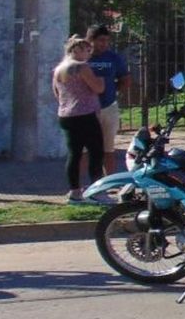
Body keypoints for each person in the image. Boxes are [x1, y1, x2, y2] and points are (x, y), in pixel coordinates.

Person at [52, 36, 105, 201]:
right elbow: (98, 88)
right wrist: (101, 81)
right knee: (96, 152)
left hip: (67, 115)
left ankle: (74, 191)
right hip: (85, 114)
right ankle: (97, 190)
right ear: (74, 50)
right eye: (84, 49)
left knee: (74, 153)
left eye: (88, 50)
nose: (88, 53)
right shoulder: (82, 67)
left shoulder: (59, 69)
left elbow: (57, 93)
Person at [85, 25, 130, 176]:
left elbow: (125, 79)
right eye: (100, 40)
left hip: (108, 107)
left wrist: (113, 90)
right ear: (90, 40)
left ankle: (109, 181)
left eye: (106, 40)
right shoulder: (82, 58)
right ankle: (78, 186)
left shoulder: (114, 58)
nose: (103, 44)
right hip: (86, 109)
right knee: (85, 149)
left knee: (108, 148)